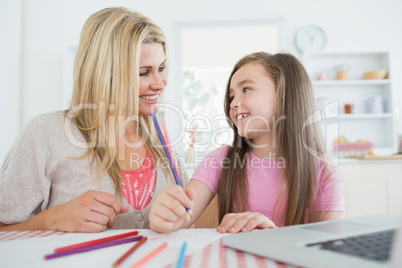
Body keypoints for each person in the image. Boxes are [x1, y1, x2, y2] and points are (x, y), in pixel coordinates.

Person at [0, 7, 186, 232]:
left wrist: (180, 219)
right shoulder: (45, 134)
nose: (160, 83)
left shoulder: (163, 142)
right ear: (106, 73)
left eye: (162, 68)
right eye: (144, 72)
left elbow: (187, 223)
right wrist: (51, 219)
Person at [149, 52, 344, 233]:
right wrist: (166, 216)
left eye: (247, 89)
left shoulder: (322, 172)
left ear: (285, 94)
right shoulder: (220, 160)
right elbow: (182, 218)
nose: (233, 103)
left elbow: (327, 251)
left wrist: (272, 236)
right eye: (232, 96)